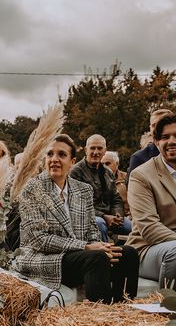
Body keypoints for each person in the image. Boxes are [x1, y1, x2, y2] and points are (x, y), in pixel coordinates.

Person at [14, 134, 139, 303]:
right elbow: (38, 240)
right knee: (96, 258)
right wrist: (87, 247)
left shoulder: (83, 190)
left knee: (128, 253)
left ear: (72, 162)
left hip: (78, 256)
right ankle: (101, 317)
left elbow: (91, 231)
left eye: (62, 154)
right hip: (44, 259)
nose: (55, 159)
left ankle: (122, 311)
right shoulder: (31, 189)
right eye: (50, 154)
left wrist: (100, 245)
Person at [127, 114, 176, 287]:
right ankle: (169, 304)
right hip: (147, 249)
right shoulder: (141, 175)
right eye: (165, 137)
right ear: (156, 142)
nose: (172, 141)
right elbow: (149, 228)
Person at [70, 134, 130, 242]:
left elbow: (116, 199)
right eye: (92, 148)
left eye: (100, 148)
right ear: (86, 150)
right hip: (88, 217)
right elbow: (78, 204)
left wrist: (117, 215)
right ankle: (104, 256)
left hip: (110, 216)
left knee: (135, 227)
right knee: (99, 224)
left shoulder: (108, 172)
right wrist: (104, 216)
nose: (96, 152)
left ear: (105, 151)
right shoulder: (76, 172)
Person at [128, 109, 174, 178]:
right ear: (150, 128)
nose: (156, 128)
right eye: (153, 125)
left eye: (160, 124)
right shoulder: (139, 158)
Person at [101, 151, 129, 216]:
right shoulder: (96, 179)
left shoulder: (127, 178)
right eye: (101, 164)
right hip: (105, 217)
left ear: (117, 164)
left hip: (126, 216)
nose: (104, 167)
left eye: (107, 164)